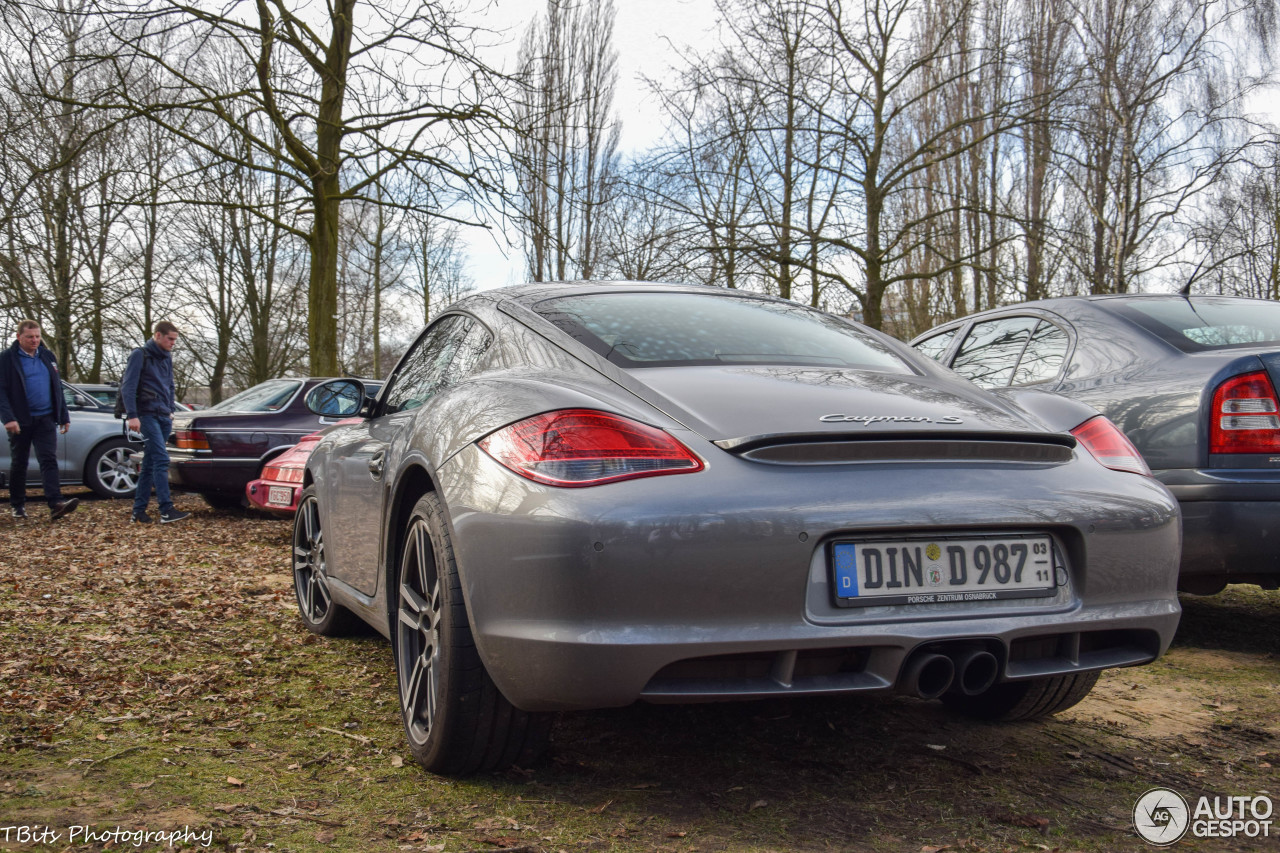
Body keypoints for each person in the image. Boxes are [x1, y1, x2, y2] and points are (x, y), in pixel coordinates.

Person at [0, 320, 79, 520]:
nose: (35, 340)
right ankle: (17, 504)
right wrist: (8, 418)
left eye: (37, 336)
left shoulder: (47, 356)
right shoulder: (7, 359)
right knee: (20, 462)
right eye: (30, 337)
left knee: (49, 460)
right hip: (20, 420)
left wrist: (63, 415)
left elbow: (57, 387)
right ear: (19, 337)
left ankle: (56, 504)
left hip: (46, 418)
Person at [121, 321, 190, 524]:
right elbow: (128, 386)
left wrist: (169, 409)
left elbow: (169, 384)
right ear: (158, 335)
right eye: (170, 339)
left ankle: (138, 511)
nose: (173, 343)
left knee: (150, 463)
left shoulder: (166, 357)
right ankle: (166, 509)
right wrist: (132, 415)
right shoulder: (139, 355)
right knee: (161, 459)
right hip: (146, 414)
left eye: (175, 340)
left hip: (162, 415)